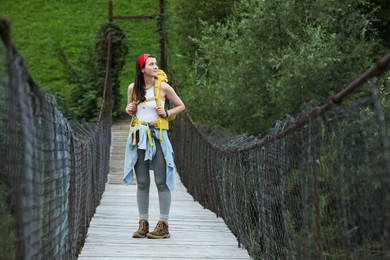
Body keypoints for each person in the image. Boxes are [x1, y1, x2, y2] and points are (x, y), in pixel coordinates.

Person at [123, 53, 185, 239]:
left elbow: (180, 105)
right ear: (142, 69)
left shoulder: (164, 87)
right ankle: (143, 223)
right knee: (142, 182)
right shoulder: (133, 88)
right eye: (151, 64)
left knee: (161, 181)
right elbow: (131, 109)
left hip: (157, 138)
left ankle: (163, 225)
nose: (155, 66)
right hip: (139, 138)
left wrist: (166, 113)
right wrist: (128, 109)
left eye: (156, 63)